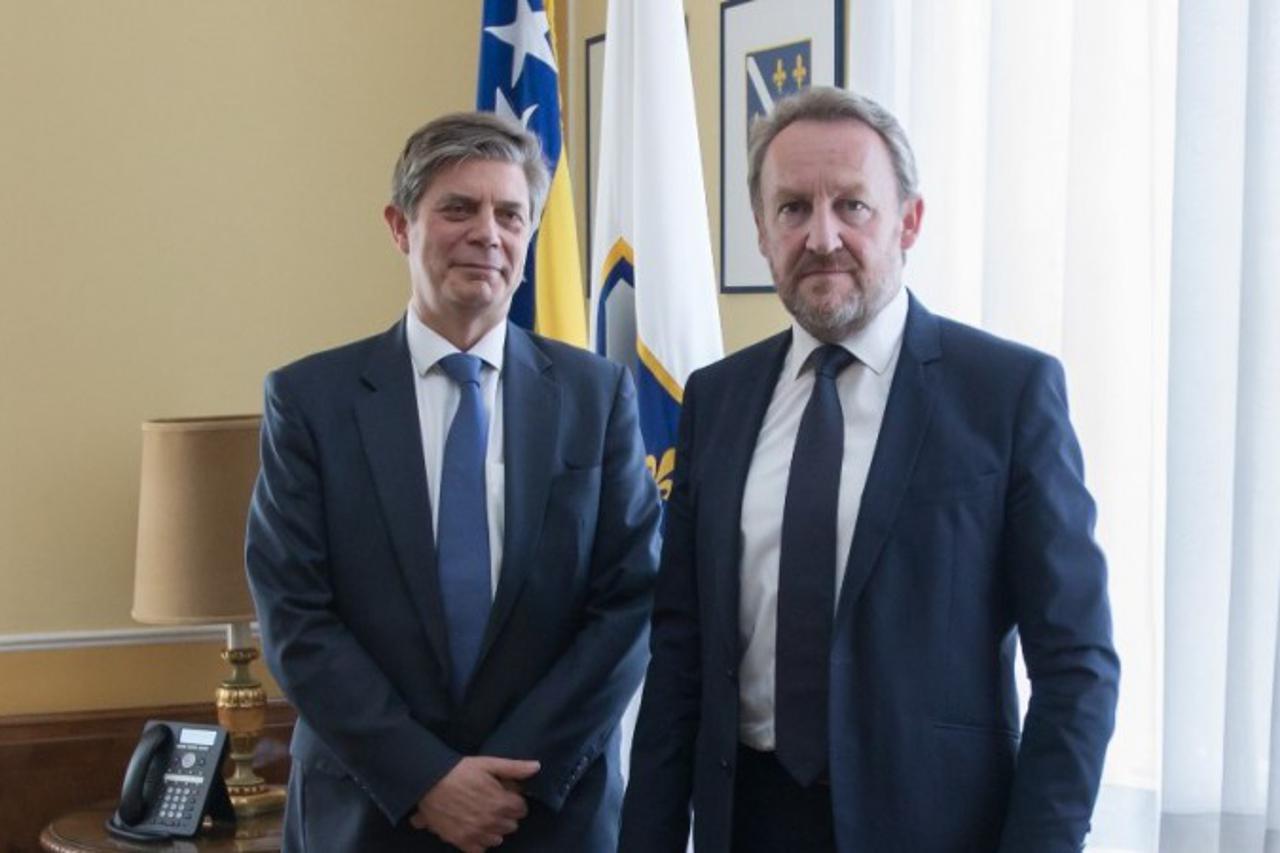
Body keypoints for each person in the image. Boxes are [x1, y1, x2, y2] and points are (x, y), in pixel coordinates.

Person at [619, 87, 1119, 852]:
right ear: (762, 231)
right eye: (793, 208)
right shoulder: (716, 399)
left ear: (908, 221)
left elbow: (1077, 664)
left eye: (852, 205)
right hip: (747, 821)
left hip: (937, 830)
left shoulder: (1006, 394)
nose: (822, 237)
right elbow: (681, 653)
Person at [246, 111, 660, 853]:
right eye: (458, 209)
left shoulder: (596, 396)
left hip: (548, 812)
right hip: (369, 811)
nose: (487, 234)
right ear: (400, 227)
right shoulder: (310, 402)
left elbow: (629, 602)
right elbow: (296, 616)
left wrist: (507, 781)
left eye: (510, 214)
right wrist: (425, 779)